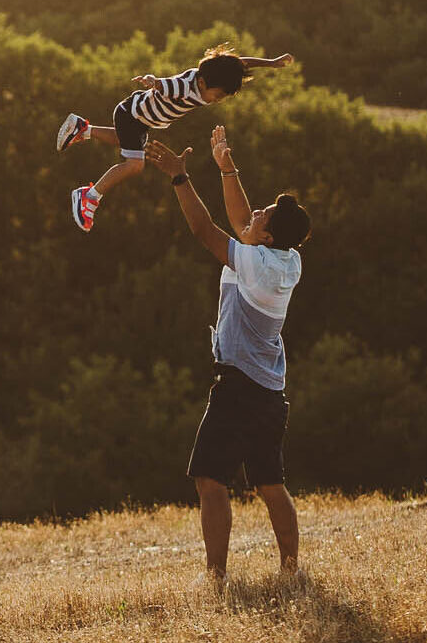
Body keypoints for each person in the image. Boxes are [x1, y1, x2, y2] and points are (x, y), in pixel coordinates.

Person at [144, 126, 311, 592]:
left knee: (209, 478)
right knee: (269, 482)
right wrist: (226, 168)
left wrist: (181, 177)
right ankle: (291, 571)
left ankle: (216, 579)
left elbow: (206, 230)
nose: (257, 212)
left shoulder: (255, 264)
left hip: (237, 385)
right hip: (270, 391)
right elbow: (243, 224)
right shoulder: (287, 262)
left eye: (266, 214)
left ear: (269, 234)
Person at [55, 44, 293, 231]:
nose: (217, 100)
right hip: (132, 116)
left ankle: (82, 129)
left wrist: (270, 63)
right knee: (135, 165)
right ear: (202, 83)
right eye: (218, 96)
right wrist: (153, 81)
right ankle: (89, 196)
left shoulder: (208, 78)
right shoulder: (184, 86)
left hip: (139, 119)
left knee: (124, 141)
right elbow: (164, 84)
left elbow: (239, 63)